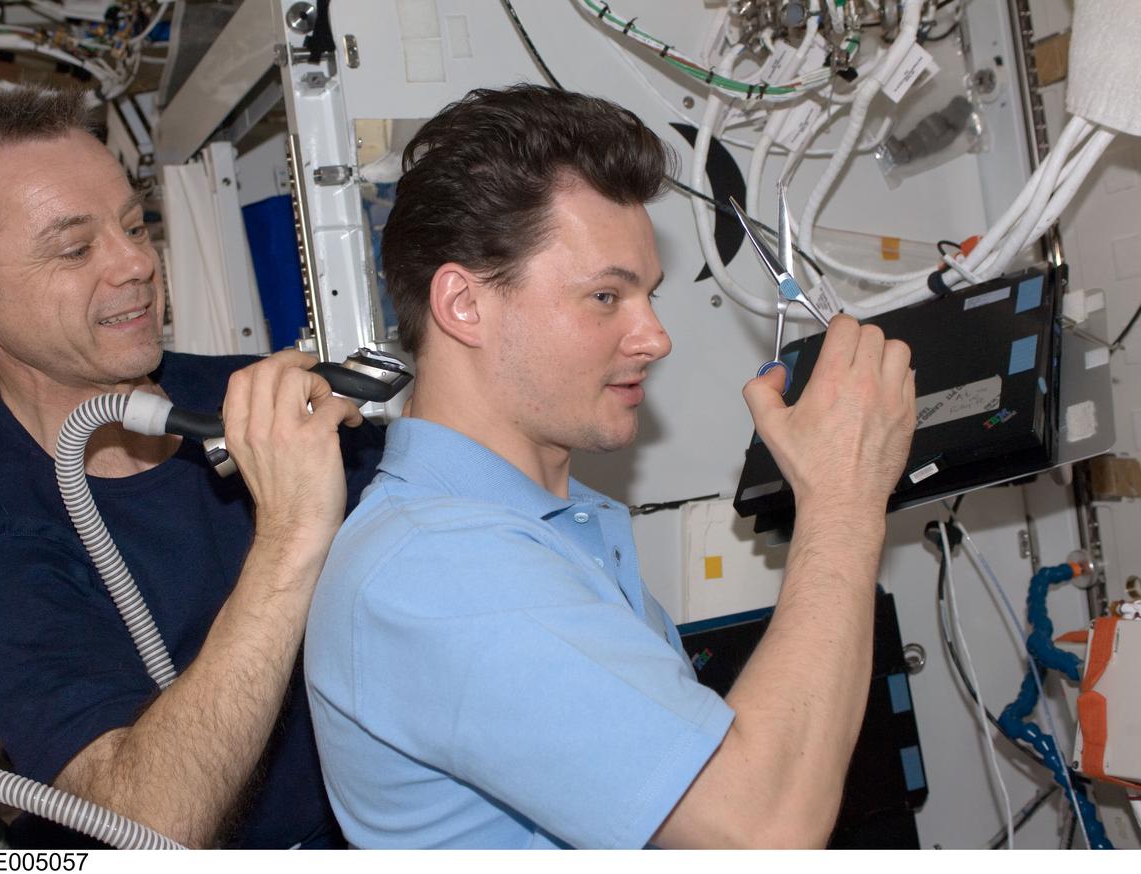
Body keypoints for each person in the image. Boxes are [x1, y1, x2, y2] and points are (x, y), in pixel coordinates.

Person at [305, 84, 917, 849]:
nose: (655, 338)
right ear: (464, 305)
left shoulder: (538, 527)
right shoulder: (440, 569)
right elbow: (760, 836)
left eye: (648, 297)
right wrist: (842, 497)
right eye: (605, 296)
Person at [0, 88, 384, 848]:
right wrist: (291, 535)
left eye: (134, 223)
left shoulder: (253, 394)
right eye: (76, 249)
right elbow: (148, 828)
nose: (137, 262)